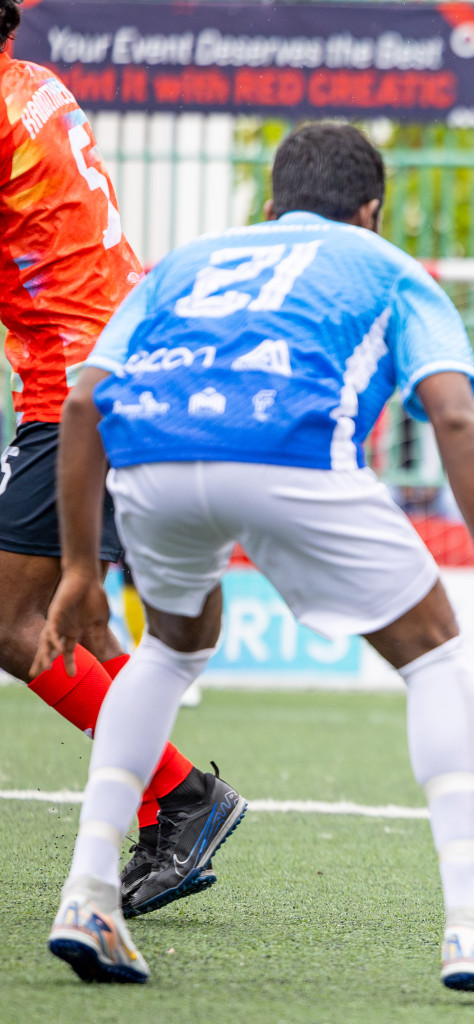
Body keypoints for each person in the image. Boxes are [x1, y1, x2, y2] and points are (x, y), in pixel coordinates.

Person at [36, 124, 474, 1000]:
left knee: (169, 647)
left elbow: (83, 402)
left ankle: (88, 893)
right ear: (371, 211)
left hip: (151, 461)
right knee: (432, 652)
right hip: (292, 453)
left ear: (270, 205)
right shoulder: (387, 267)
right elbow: (458, 421)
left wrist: (81, 568)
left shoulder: (183, 264)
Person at [0, 0, 242, 918]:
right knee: (86, 623)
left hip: (76, 389)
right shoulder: (34, 85)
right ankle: (171, 809)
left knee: (14, 622)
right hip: (121, 364)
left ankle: (181, 798)